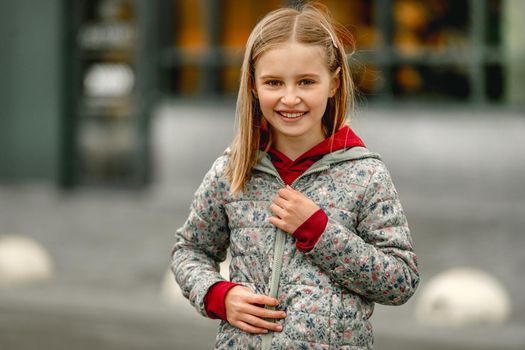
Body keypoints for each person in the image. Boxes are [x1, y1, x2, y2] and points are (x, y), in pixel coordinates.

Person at [171, 3, 419, 349]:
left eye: (306, 82)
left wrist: (319, 231)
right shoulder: (232, 171)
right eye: (274, 82)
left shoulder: (365, 174)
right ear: (254, 86)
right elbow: (189, 251)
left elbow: (401, 281)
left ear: (332, 84)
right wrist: (218, 295)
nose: (290, 98)